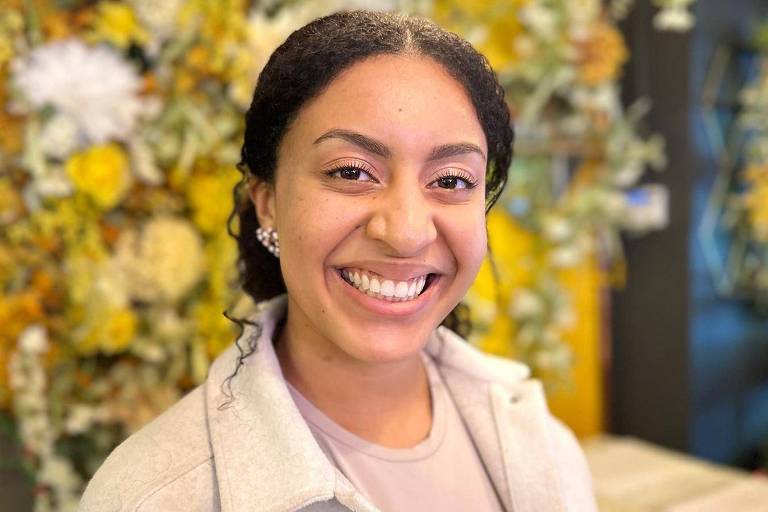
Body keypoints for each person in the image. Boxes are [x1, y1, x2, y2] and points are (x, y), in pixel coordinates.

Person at [80, 10, 597, 512]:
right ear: (267, 201)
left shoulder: (543, 446)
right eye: (352, 172)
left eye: (451, 181)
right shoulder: (154, 494)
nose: (407, 232)